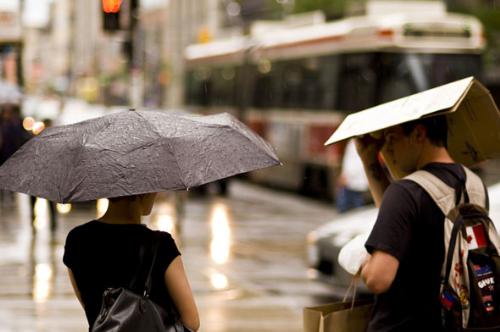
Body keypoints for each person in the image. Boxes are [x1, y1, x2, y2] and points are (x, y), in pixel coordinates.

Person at [355, 115, 487, 332]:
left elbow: (379, 279)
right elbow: (401, 227)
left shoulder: (406, 191)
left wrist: (362, 263)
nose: (387, 149)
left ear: (418, 134)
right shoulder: (475, 186)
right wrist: (370, 162)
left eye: (391, 138)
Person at [63, 193, 200, 331]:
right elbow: (192, 322)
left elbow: (93, 309)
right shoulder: (161, 245)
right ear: (141, 192)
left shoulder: (77, 240)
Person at [335, 139, 369, 213]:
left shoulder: (359, 144)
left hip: (355, 179)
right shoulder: (352, 143)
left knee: (355, 204)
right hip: (350, 179)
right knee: (347, 203)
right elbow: (347, 161)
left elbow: (354, 163)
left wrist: (346, 175)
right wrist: (343, 174)